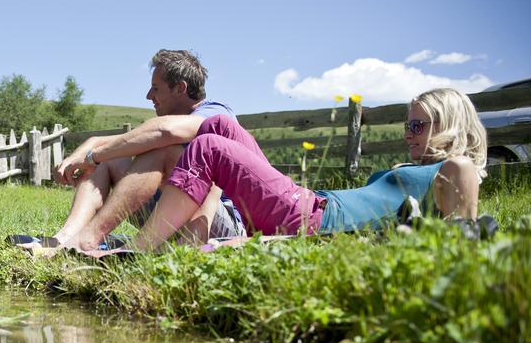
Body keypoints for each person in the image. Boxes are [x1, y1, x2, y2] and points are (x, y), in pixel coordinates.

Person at [129, 87, 486, 250]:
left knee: (209, 147)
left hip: (315, 219)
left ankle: (141, 250)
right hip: (312, 204)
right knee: (220, 126)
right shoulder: (422, 168)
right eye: (407, 126)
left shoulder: (458, 167)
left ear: (450, 124)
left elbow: (460, 242)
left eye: (417, 126)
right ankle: (181, 238)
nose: (408, 134)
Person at [38, 50, 257, 252]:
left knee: (162, 151)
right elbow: (118, 142)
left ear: (180, 88)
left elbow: (164, 132)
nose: (148, 96)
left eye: (156, 88)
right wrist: (90, 148)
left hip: (218, 224)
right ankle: (66, 237)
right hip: (172, 216)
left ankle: (91, 238)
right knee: (110, 159)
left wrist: (91, 157)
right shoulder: (177, 123)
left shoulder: (216, 114)